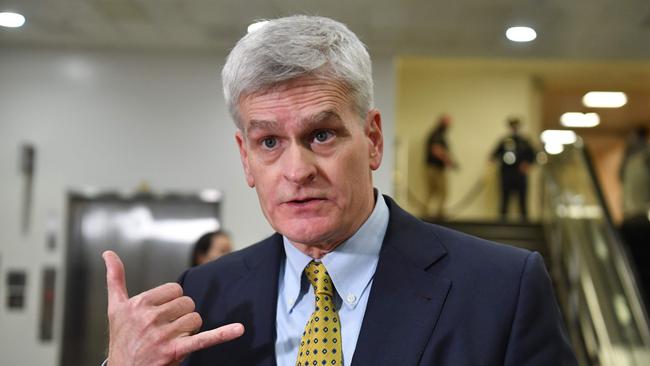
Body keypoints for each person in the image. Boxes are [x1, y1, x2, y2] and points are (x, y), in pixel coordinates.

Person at [101, 15, 577, 366]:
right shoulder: (203, 296)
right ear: (246, 158)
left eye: (322, 135)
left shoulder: (501, 289)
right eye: (269, 142)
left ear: (372, 139)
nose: (297, 170)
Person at [491, 117, 536, 221]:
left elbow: (533, 156)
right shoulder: (504, 141)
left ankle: (524, 221)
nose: (514, 127)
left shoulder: (525, 141)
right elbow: (493, 155)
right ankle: (502, 220)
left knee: (522, 199)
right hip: (506, 173)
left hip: (520, 174)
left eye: (516, 125)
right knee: (504, 198)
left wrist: (527, 164)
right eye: (512, 125)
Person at [424, 114, 455, 219]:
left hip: (434, 167)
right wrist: (448, 160)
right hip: (435, 168)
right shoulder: (437, 134)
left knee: (433, 192)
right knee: (442, 191)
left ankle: (429, 213)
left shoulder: (437, 134)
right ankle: (439, 215)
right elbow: (436, 149)